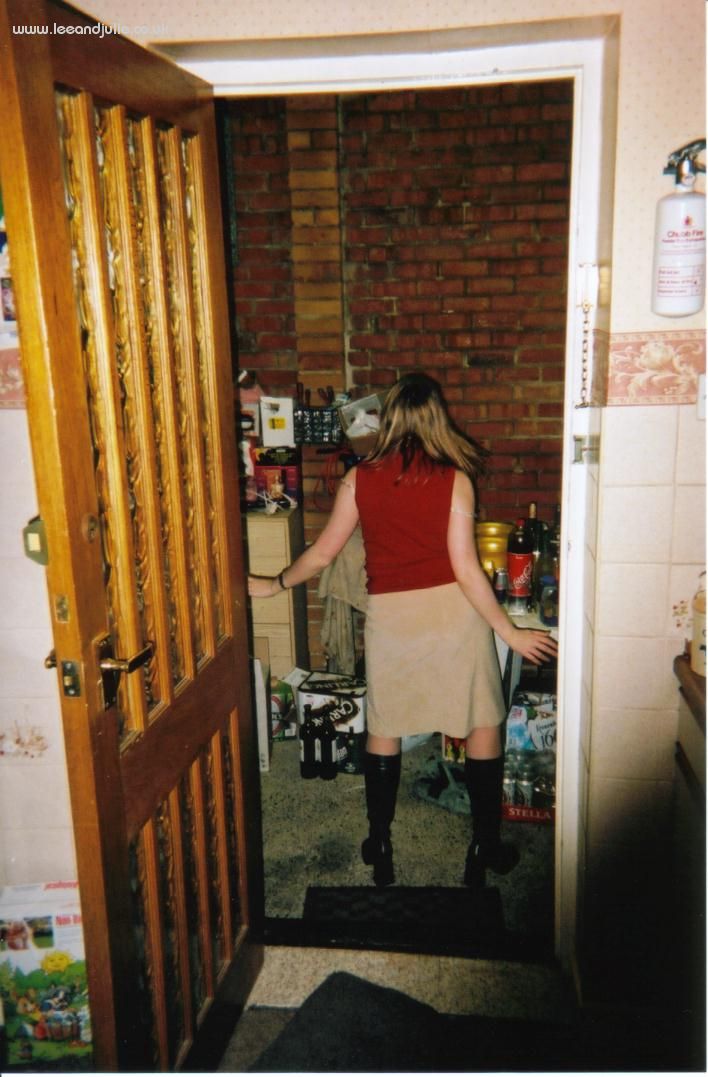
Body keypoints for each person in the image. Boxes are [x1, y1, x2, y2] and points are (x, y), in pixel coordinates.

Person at [248, 373, 558, 888]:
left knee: (385, 727)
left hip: (392, 620)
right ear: (438, 419)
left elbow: (323, 555)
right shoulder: (456, 479)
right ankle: (483, 847)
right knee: (482, 722)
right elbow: (466, 569)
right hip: (455, 618)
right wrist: (511, 633)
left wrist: (273, 584)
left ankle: (381, 844)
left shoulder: (359, 479)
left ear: (389, 419)